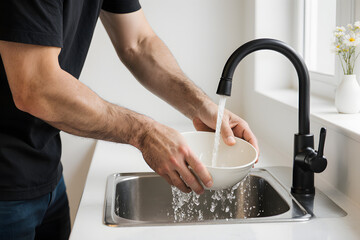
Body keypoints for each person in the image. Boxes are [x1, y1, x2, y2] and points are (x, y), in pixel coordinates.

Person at [0, 0, 259, 239]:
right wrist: (144, 133)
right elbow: (36, 86)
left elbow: (138, 42)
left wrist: (200, 105)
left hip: (46, 171)